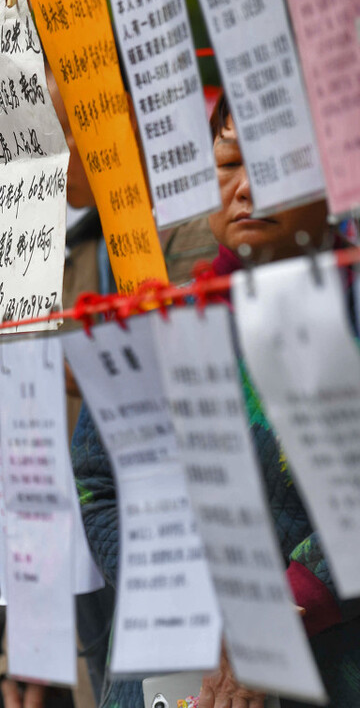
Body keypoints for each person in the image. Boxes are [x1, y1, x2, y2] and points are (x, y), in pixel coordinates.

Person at [71, 93, 360, 708]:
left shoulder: (351, 320)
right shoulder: (158, 318)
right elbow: (98, 482)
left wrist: (279, 615)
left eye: (278, 161)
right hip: (175, 670)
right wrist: (186, 604)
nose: (248, 187)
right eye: (229, 163)